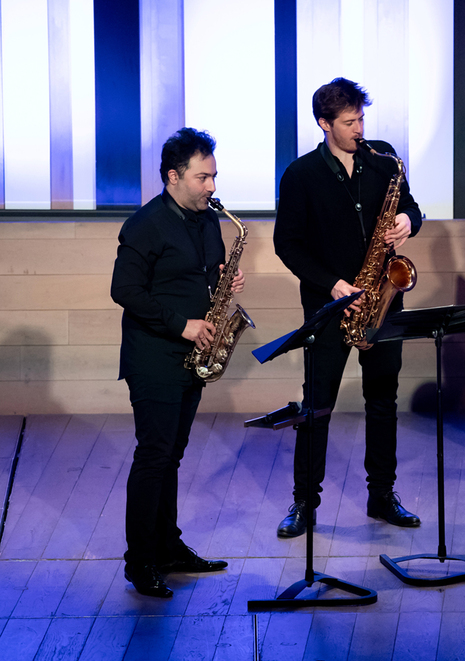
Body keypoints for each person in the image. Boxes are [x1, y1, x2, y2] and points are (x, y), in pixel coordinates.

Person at [272, 78, 422, 538]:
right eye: (350, 122)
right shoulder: (300, 175)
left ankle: (382, 495)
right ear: (324, 123)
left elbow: (413, 209)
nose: (360, 129)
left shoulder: (382, 160)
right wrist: (332, 283)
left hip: (383, 299)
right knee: (316, 406)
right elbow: (287, 245)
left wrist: (406, 222)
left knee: (383, 402)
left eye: (361, 119)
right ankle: (304, 503)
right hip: (329, 304)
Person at [111, 128, 243, 598]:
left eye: (213, 176)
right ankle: (139, 562)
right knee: (154, 457)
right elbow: (124, 291)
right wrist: (181, 324)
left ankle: (167, 546)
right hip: (155, 356)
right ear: (173, 176)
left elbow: (205, 271)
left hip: (192, 357)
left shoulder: (207, 219)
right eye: (202, 177)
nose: (211, 186)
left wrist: (226, 279)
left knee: (172, 456)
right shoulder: (145, 225)